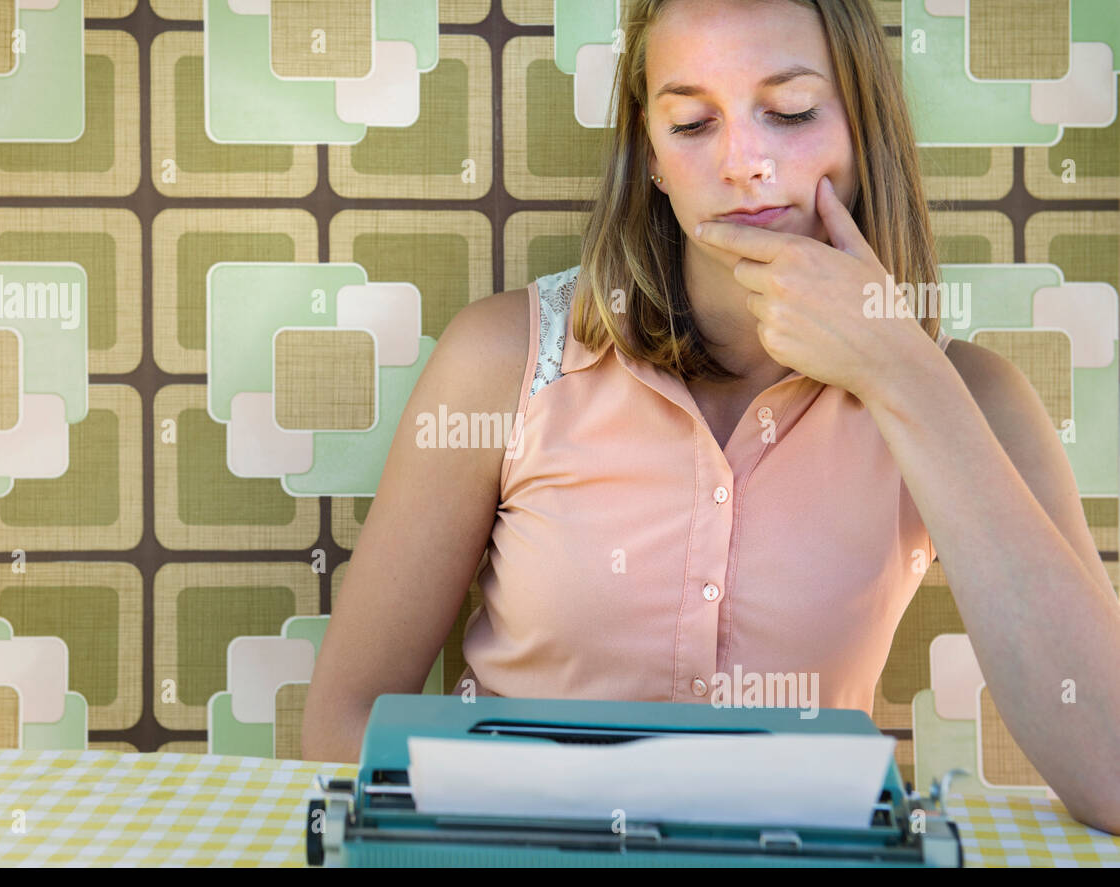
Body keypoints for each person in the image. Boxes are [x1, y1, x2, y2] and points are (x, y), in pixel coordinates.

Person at [300, 0, 1120, 835]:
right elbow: (339, 725)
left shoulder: (971, 397)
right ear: (652, 156)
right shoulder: (501, 361)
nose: (744, 163)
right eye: (692, 123)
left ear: (861, 133)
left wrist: (901, 370)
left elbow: (1112, 770)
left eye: (792, 112)